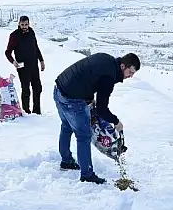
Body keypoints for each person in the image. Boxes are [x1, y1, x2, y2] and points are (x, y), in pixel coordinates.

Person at [53, 52, 140, 184]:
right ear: (123, 66)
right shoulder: (109, 77)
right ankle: (87, 174)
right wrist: (116, 121)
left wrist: (89, 98)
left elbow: (87, 76)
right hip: (72, 99)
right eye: (130, 72)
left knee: (66, 126)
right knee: (83, 136)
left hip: (59, 89)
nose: (131, 76)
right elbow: (102, 109)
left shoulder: (107, 60)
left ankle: (66, 161)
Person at [4, 15, 45, 114]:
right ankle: (26, 111)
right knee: (26, 90)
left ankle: (37, 111)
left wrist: (41, 60)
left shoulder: (31, 32)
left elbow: (36, 47)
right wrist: (13, 61)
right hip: (23, 67)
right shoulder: (14, 35)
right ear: (19, 24)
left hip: (34, 65)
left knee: (37, 88)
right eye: (22, 25)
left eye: (26, 24)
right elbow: (8, 52)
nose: (24, 26)